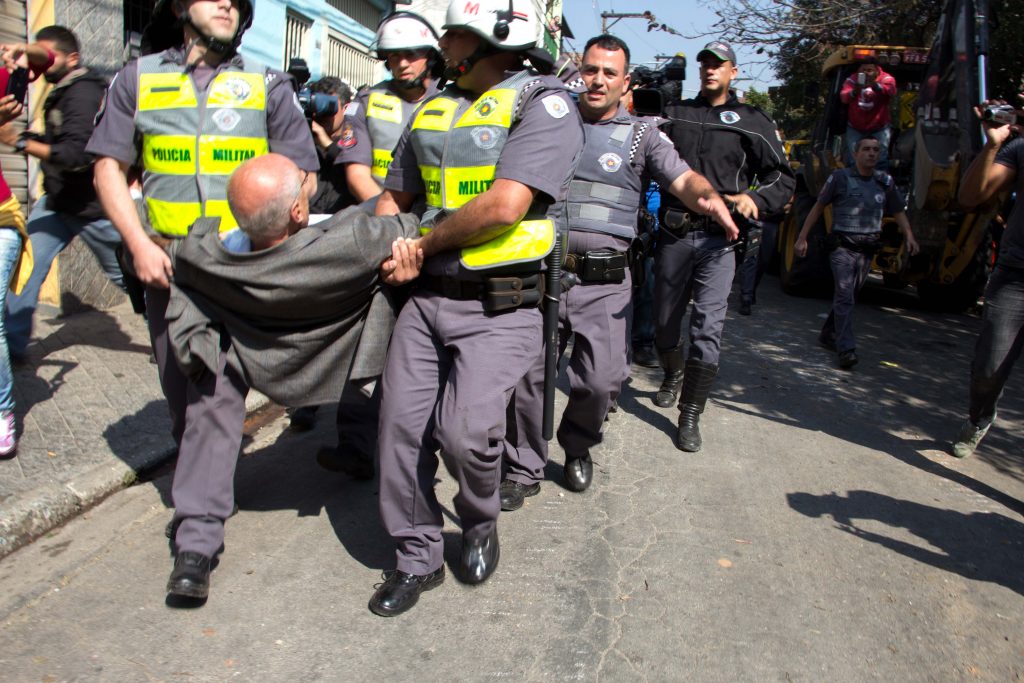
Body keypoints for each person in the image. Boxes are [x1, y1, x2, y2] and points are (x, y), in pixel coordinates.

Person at [87, 0, 318, 603]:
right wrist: (136, 242)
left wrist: (274, 239)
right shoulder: (136, 78)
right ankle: (207, 480)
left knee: (216, 393)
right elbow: (108, 168)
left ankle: (197, 537)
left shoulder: (267, 84)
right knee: (183, 395)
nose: (228, 5)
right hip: (163, 268)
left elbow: (304, 175)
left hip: (235, 270)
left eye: (238, 2)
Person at [368, 0, 584, 617]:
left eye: (457, 33)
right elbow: (396, 197)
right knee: (400, 432)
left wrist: (422, 244)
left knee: (465, 434)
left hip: (501, 306)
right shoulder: (433, 108)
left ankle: (479, 519)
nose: (446, 44)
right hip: (424, 299)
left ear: (497, 37)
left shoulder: (543, 103)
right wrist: (376, 248)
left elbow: (505, 205)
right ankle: (417, 556)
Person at [501, 35, 736, 506]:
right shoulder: (546, 121)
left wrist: (711, 201)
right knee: (528, 377)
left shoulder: (642, 136)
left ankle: (577, 445)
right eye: (591, 70)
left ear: (624, 82)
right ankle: (523, 466)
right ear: (579, 72)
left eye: (610, 73)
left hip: (604, 282)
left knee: (602, 381)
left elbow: (683, 179)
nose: (598, 80)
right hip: (540, 275)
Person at [654, 40, 795, 452]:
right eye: (705, 64)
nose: (710, 70)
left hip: (721, 241)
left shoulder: (751, 120)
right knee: (664, 322)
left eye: (719, 65)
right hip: (674, 233)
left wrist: (757, 198)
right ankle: (673, 372)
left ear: (734, 72)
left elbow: (781, 176)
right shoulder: (675, 113)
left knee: (708, 327)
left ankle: (690, 413)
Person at [2, 27, 124, 361]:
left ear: (71, 58)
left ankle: (172, 326)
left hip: (91, 209)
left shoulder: (84, 93)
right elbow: (62, 139)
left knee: (131, 276)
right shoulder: (65, 88)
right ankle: (12, 352)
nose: (40, 65)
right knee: (25, 272)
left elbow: (77, 155)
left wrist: (21, 142)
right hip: (55, 204)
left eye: (46, 56)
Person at [794, 136, 919, 369]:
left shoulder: (885, 181)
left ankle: (827, 332)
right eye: (867, 150)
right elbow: (818, 206)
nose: (872, 154)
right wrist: (802, 237)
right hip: (842, 247)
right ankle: (846, 349)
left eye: (876, 150)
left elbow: (899, 211)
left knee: (848, 295)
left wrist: (909, 236)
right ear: (855, 153)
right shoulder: (840, 178)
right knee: (844, 294)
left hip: (866, 250)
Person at [950, 95, 1023, 458]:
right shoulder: (1020, 149)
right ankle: (980, 417)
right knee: (989, 368)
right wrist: (993, 146)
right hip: (1016, 278)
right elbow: (970, 196)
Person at [335, 11, 440, 203]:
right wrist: (387, 219)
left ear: (430, 55)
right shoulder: (365, 102)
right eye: (394, 56)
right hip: (378, 212)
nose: (402, 64)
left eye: (411, 54)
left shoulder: (451, 99)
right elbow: (357, 176)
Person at [307, 76, 357, 214]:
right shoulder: (303, 139)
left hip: (340, 221)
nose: (322, 114)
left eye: (329, 106)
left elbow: (356, 169)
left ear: (345, 108)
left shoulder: (357, 138)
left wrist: (329, 145)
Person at [840, 58, 897, 170]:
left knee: (880, 158)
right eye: (863, 70)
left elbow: (891, 90)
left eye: (869, 70)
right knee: (853, 158)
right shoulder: (852, 80)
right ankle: (855, 184)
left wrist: (876, 86)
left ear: (877, 71)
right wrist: (854, 91)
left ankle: (880, 183)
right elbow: (844, 97)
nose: (866, 73)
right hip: (855, 127)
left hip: (879, 127)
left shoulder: (886, 78)